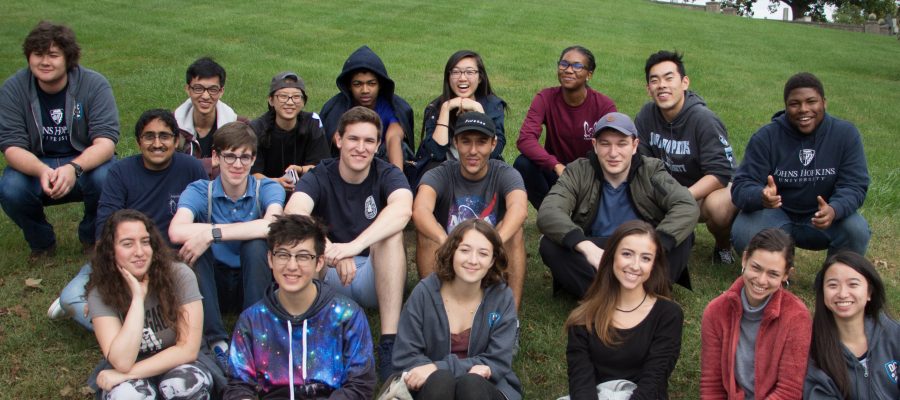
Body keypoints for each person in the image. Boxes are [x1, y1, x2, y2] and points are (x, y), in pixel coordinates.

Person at [48, 109, 207, 330]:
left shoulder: (191, 168)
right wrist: (107, 273)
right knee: (70, 297)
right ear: (138, 142)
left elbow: (207, 214)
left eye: (165, 136)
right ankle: (138, 328)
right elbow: (105, 227)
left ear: (176, 140)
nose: (157, 143)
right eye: (149, 136)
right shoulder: (120, 172)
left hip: (173, 261)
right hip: (126, 256)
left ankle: (121, 323)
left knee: (187, 302)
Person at [285, 106, 412, 381]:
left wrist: (352, 247)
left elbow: (403, 209)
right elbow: (293, 213)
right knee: (303, 242)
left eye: (369, 141)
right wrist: (330, 249)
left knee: (391, 235)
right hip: (326, 276)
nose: (361, 148)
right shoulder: (321, 173)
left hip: (373, 276)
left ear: (378, 145)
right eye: (353, 139)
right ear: (338, 140)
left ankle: (389, 342)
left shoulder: (387, 173)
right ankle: (306, 334)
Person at [537, 112, 698, 298]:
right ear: (595, 146)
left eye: (622, 143)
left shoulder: (651, 170)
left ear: (635, 145)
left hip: (641, 245)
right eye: (605, 144)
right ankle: (609, 297)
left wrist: (655, 244)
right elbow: (549, 211)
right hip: (597, 246)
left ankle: (643, 293)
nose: (613, 153)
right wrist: (586, 247)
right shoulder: (578, 171)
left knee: (683, 235)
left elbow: (686, 205)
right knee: (550, 244)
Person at [0, 21, 119, 260]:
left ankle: (91, 236)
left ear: (68, 58)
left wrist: (73, 168)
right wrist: (42, 171)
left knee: (110, 177)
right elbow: (11, 146)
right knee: (10, 188)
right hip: (36, 164)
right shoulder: (13, 89)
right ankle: (42, 242)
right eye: (38, 54)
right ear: (28, 56)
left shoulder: (94, 85)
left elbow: (106, 142)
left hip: (83, 163)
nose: (45, 62)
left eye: (53, 55)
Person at [168, 121, 285, 366]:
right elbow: (177, 231)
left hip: (253, 280)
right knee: (194, 249)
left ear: (253, 160)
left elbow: (272, 226)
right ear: (215, 157)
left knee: (255, 244)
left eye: (244, 157)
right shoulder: (201, 190)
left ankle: (252, 336)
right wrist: (206, 236)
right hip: (213, 285)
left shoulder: (267, 188)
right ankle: (217, 342)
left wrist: (211, 234)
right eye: (229, 156)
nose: (237, 164)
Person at [224, 214, 376, 399]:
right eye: (283, 255)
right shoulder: (251, 320)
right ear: (270, 259)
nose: (292, 265)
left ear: (319, 262)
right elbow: (238, 386)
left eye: (303, 256)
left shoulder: (347, 316)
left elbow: (360, 386)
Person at [731, 72, 870, 257]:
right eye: (794, 104)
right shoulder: (766, 137)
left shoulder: (845, 135)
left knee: (856, 229)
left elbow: (854, 185)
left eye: (811, 101)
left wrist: (835, 209)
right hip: (775, 214)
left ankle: (833, 277)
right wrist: (761, 196)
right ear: (786, 106)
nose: (803, 109)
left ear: (824, 102)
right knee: (745, 232)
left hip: (822, 215)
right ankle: (777, 274)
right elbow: (741, 186)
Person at [85, 209, 216, 399]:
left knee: (185, 386)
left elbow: (188, 349)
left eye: (145, 242)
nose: (139, 252)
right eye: (127, 244)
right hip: (132, 361)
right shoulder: (100, 293)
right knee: (126, 395)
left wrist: (126, 374)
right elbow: (122, 361)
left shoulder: (179, 275)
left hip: (179, 362)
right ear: (111, 251)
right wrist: (138, 299)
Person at [392, 219, 522, 400]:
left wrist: (439, 367)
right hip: (431, 388)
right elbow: (405, 355)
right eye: (465, 250)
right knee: (441, 381)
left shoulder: (502, 297)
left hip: (484, 387)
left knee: (470, 384)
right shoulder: (424, 293)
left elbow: (498, 360)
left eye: (483, 254)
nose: (473, 260)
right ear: (452, 252)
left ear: (492, 261)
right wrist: (438, 372)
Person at [413, 111, 527, 309]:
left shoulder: (505, 173)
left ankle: (511, 314)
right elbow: (420, 210)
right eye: (466, 141)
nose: (473, 150)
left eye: (481, 142)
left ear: (493, 144)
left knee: (515, 232)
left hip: (490, 258)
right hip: (450, 255)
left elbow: (519, 209)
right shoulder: (440, 173)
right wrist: (445, 241)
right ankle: (436, 308)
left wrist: (492, 244)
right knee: (426, 233)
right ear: (456, 143)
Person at [635, 50, 737, 264]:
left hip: (704, 192)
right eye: (655, 80)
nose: (661, 85)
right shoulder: (646, 115)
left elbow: (720, 173)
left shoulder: (704, 119)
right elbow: (641, 162)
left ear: (684, 82)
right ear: (648, 89)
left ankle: (723, 246)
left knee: (720, 207)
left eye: (669, 78)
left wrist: (683, 197)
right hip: (666, 188)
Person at [562, 220, 682, 400]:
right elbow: (581, 383)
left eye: (645, 258)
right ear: (611, 257)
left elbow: (654, 381)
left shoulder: (668, 314)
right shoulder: (583, 317)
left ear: (653, 265)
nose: (635, 265)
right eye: (627, 254)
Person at [700, 228, 811, 399]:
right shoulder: (715, 312)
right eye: (756, 268)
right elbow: (712, 384)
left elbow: (789, 390)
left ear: (786, 274)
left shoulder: (797, 317)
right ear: (744, 259)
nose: (761, 280)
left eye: (773, 274)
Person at [515, 45, 617, 210]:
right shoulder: (545, 98)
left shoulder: (604, 105)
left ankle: (589, 212)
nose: (569, 70)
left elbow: (613, 148)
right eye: (564, 64)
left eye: (577, 66)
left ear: (589, 74)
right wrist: (555, 165)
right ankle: (550, 213)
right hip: (556, 172)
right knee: (523, 163)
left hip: (591, 175)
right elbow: (525, 139)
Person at [804, 251, 899, 400]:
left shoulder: (894, 334)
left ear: (869, 292)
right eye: (833, 285)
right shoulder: (813, 352)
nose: (842, 293)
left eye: (853, 284)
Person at [320, 45, 415, 171]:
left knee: (401, 149)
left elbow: (394, 139)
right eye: (357, 84)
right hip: (347, 161)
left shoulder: (391, 106)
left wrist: (398, 180)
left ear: (380, 84)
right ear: (349, 86)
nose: (365, 90)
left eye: (371, 83)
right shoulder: (336, 108)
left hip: (382, 158)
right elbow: (340, 143)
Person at [416, 50, 506, 174]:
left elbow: (494, 151)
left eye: (469, 72)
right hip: (446, 172)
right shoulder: (435, 107)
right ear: (448, 77)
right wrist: (446, 109)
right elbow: (435, 153)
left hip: (481, 170)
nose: (462, 78)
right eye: (456, 72)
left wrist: (478, 109)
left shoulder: (493, 106)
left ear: (480, 77)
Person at [249, 71, 330, 192]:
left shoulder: (312, 123)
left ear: (303, 102)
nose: (290, 102)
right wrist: (277, 182)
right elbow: (253, 175)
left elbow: (322, 168)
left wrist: (300, 170)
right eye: (283, 96)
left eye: (296, 97)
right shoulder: (257, 128)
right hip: (265, 191)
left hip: (306, 189)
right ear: (271, 100)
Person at [174, 57, 240, 177]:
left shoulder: (238, 127)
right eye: (198, 88)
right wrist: (209, 164)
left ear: (221, 91)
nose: (205, 96)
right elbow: (169, 167)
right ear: (188, 89)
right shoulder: (172, 126)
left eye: (213, 90)